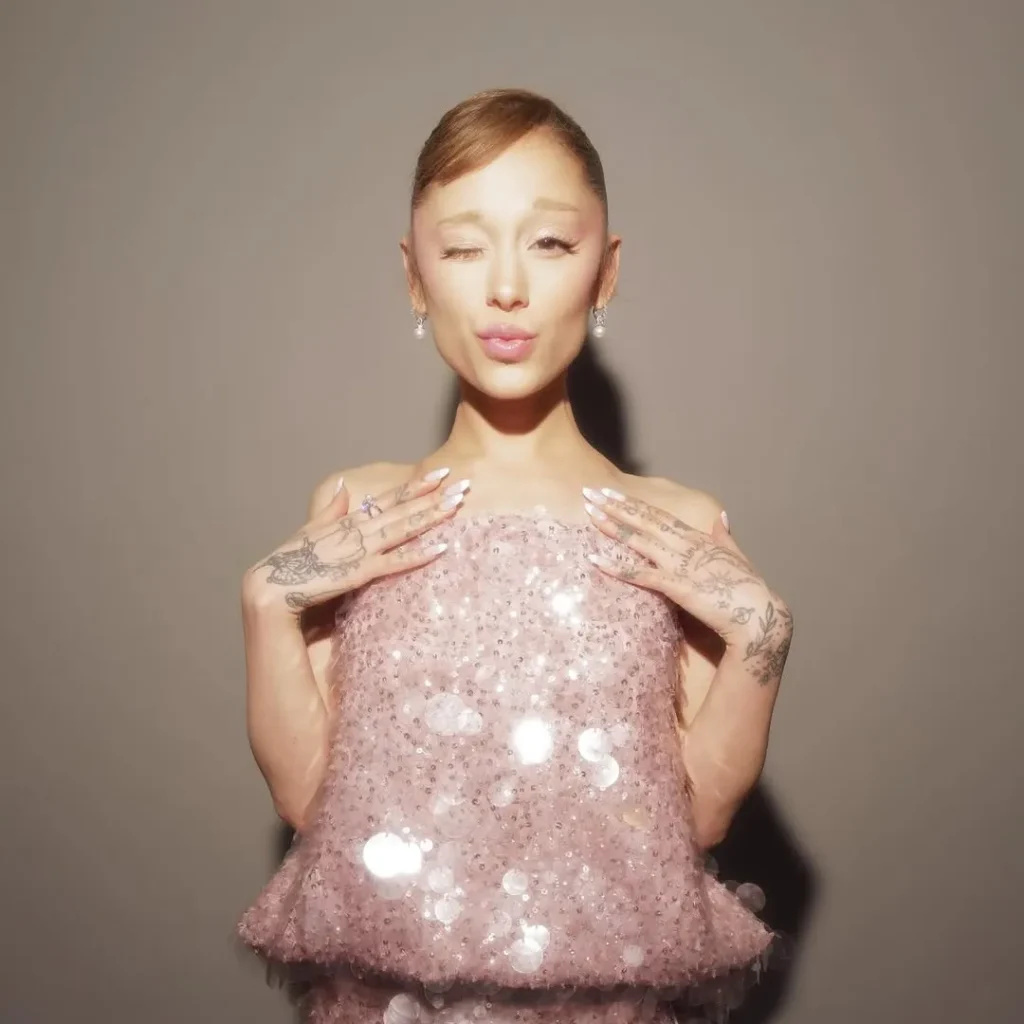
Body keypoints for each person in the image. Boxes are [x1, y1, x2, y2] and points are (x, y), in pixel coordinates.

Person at [236, 88, 794, 1024]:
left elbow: (690, 824)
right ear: (415, 278)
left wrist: (763, 637)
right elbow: (309, 804)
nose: (506, 287)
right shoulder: (362, 509)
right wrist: (266, 602)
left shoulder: (674, 523)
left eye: (550, 243)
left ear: (606, 272)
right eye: (463, 248)